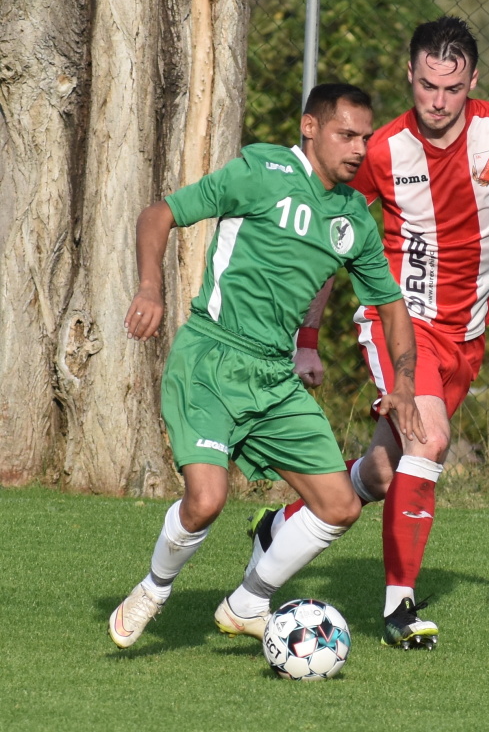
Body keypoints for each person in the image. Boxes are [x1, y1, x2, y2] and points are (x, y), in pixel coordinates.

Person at [244, 16, 489, 650]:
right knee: (429, 440)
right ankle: (399, 607)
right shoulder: (382, 150)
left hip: (468, 334)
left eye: (452, 88)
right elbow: (331, 243)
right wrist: (307, 338)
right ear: (410, 75)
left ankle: (282, 523)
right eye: (427, 85)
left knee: (385, 473)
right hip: (401, 324)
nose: (437, 101)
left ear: (472, 82)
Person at [108, 83, 426, 649]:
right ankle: (153, 589)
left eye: (366, 137)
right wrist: (151, 288)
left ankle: (248, 602)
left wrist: (403, 384)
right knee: (206, 501)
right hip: (212, 358)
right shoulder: (261, 171)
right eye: (346, 135)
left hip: (275, 378)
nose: (359, 149)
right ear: (310, 127)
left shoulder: (353, 217)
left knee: (340, 506)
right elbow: (159, 214)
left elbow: (392, 305)